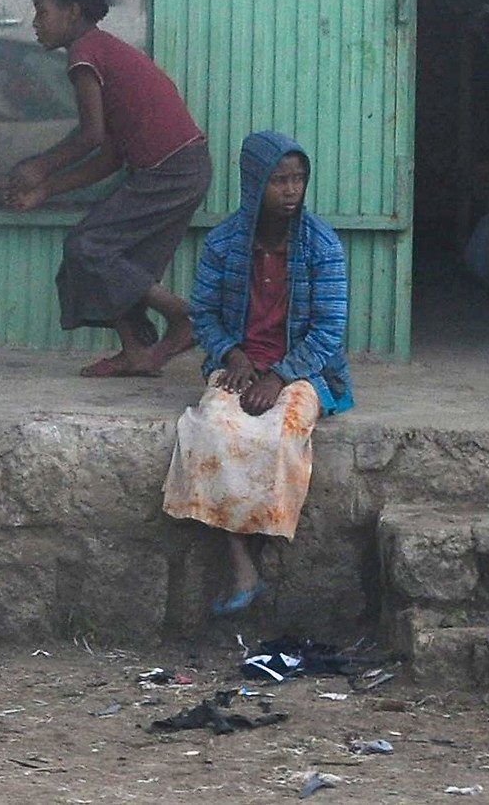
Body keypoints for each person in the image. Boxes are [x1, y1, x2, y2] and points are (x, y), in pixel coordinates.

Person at [165, 130, 352, 617]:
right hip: (240, 367)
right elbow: (203, 314)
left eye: (299, 180)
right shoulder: (224, 244)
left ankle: (257, 557)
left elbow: (329, 331)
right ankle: (240, 561)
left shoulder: (321, 245)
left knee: (278, 434)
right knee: (213, 429)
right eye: (279, 180)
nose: (291, 191)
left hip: (303, 371)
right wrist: (235, 358)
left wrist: (279, 375)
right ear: (254, 184)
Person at [7, 0, 211, 378]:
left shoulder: (86, 54)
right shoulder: (100, 49)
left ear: (72, 13)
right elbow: (108, 159)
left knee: (89, 248)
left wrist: (39, 166)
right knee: (113, 263)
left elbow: (91, 137)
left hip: (171, 169)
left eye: (42, 12)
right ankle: (138, 351)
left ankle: (185, 317)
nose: (35, 23)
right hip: (179, 168)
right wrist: (47, 190)